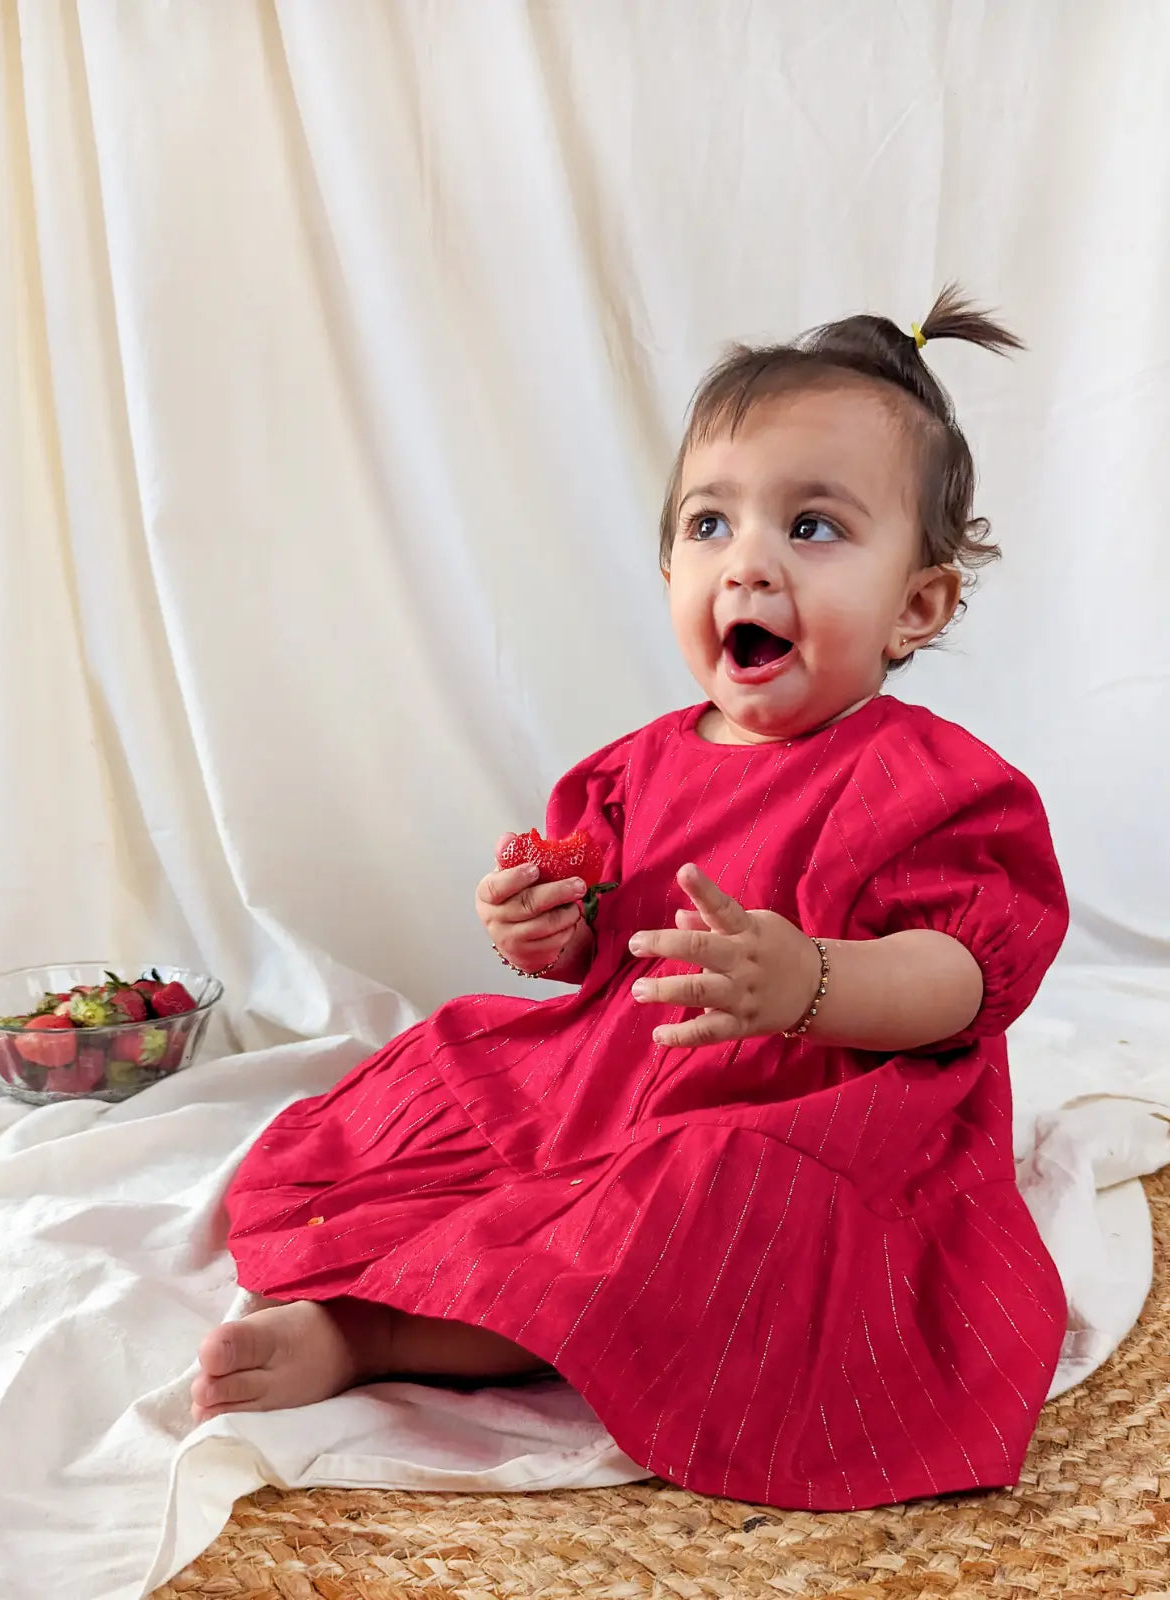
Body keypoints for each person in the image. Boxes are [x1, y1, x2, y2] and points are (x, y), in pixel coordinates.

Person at [192, 286, 1069, 1511]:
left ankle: (379, 1338)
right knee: (439, 1070)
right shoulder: (637, 767)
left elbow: (967, 982)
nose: (749, 560)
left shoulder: (929, 785)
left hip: (811, 1117)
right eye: (711, 524)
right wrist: (550, 926)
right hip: (617, 1076)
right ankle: (422, 1290)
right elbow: (601, 945)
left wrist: (809, 981)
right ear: (668, 564)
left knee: (692, 1214)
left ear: (916, 605)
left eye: (813, 527)